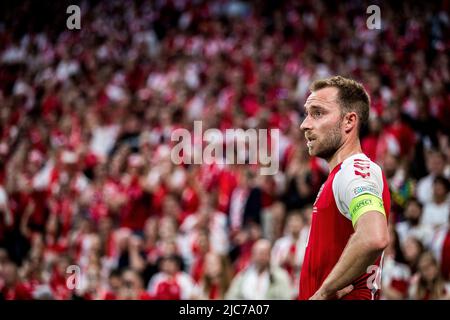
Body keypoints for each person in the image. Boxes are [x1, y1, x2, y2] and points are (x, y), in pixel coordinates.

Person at [298, 76, 391, 300]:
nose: (305, 124)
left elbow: (374, 237)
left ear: (349, 121)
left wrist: (324, 292)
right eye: (307, 114)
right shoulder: (340, 174)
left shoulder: (355, 169)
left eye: (318, 113)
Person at [225, 239, 292, 300]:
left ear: (269, 256)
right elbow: (231, 296)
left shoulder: (280, 276)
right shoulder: (243, 275)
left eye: (263, 253)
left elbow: (286, 296)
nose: (260, 257)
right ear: (252, 255)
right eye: (257, 253)